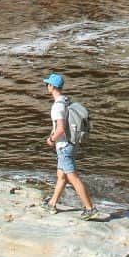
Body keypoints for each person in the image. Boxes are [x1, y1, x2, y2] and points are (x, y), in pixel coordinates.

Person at [41, 72, 97, 220]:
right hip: (71, 144)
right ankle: (52, 203)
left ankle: (90, 208)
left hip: (64, 146)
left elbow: (60, 128)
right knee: (61, 175)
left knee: (73, 177)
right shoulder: (66, 101)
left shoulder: (57, 107)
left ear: (52, 86)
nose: (46, 86)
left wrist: (51, 139)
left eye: (47, 84)